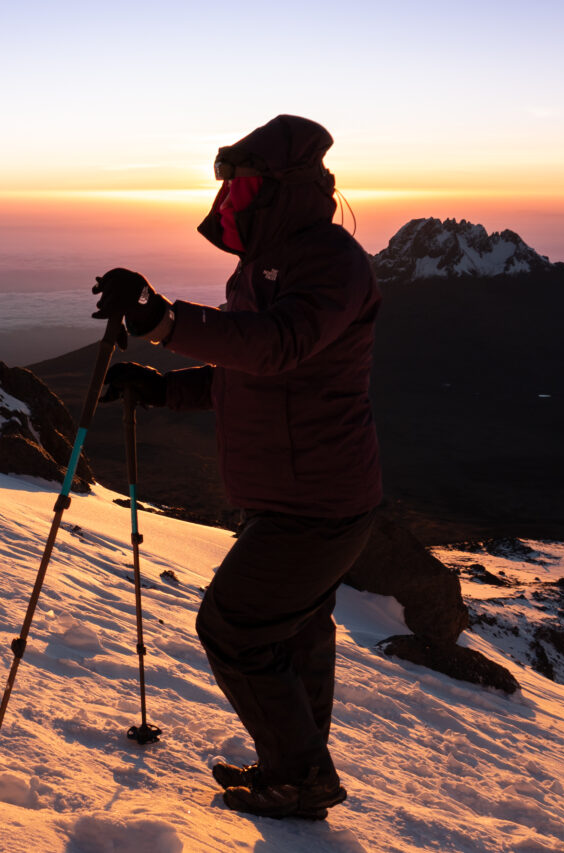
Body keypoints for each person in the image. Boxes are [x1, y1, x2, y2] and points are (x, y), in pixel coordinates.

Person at [93, 115, 382, 820]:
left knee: (232, 627)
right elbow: (246, 373)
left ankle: (301, 773)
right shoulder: (259, 268)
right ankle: (298, 772)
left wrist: (163, 320)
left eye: (242, 187)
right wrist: (161, 387)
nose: (229, 202)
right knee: (294, 630)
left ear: (279, 189)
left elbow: (279, 345)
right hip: (292, 495)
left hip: (319, 500)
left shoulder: (331, 264)